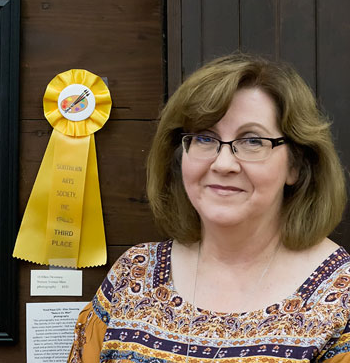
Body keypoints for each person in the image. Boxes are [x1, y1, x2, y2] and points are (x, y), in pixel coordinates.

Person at [68, 53, 350, 362]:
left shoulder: (339, 295)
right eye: (205, 138)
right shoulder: (134, 274)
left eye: (253, 141)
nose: (223, 163)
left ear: (295, 164)